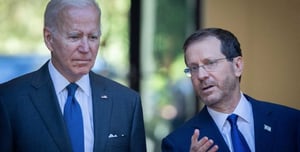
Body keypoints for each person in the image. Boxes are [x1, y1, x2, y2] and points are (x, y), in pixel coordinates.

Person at [0, 0, 146, 152]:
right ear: (49, 38)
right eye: (75, 37)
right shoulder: (9, 101)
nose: (85, 48)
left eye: (93, 37)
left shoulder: (127, 103)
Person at [161, 28, 300, 152]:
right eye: (193, 68)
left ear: (237, 66)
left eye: (210, 63)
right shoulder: (177, 144)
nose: (201, 75)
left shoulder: (290, 122)